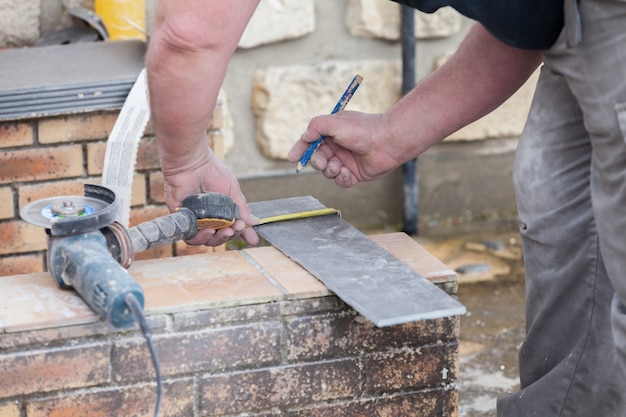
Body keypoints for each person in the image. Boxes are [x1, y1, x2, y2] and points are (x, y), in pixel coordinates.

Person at [146, 1, 626, 415]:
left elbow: (190, 34)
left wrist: (185, 163)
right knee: (561, 208)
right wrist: (391, 137)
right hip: (581, 17)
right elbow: (527, 22)